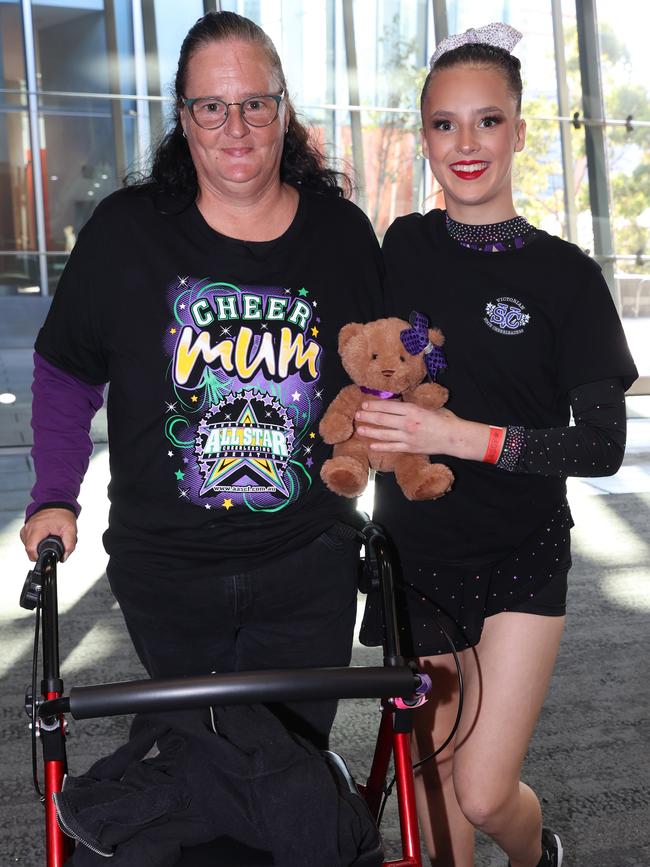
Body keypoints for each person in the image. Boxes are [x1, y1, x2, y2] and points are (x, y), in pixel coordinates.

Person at [20, 11, 383, 752]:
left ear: (284, 109)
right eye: (211, 106)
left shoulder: (341, 234)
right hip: (168, 569)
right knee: (199, 764)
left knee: (289, 763)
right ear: (183, 118)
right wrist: (54, 494)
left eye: (255, 103)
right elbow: (64, 372)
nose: (236, 127)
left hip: (308, 558)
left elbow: (377, 375)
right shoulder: (125, 232)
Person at [355, 23, 638, 867]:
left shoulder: (567, 277)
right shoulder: (400, 246)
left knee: (483, 790)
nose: (466, 144)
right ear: (425, 135)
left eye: (487, 121)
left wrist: (458, 435)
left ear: (519, 129)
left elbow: (601, 445)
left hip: (522, 555)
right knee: (432, 781)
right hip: (416, 556)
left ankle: (535, 852)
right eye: (445, 124)